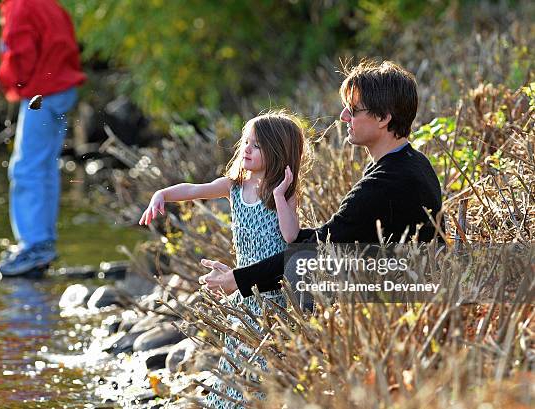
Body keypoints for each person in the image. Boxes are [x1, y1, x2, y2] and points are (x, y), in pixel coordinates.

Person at [199, 60, 444, 300]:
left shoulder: (385, 182)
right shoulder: (412, 162)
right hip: (415, 281)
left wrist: (239, 279)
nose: (343, 116)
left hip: (410, 294)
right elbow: (334, 236)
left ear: (383, 119)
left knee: (301, 269)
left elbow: (319, 249)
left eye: (354, 110)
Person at [139, 112, 309, 408]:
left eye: (256, 145)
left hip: (276, 296)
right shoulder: (233, 186)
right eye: (245, 142)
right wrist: (161, 194)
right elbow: (194, 190)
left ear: (278, 150)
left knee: (263, 367)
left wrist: (281, 195)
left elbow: (291, 235)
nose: (245, 149)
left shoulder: (280, 192)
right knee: (236, 362)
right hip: (245, 295)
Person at [0, 0, 86, 276]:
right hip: (61, 90)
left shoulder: (20, 6)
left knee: (26, 168)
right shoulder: (48, 4)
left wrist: (4, 79)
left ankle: (34, 246)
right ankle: (42, 243)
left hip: (44, 93)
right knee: (44, 167)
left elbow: (21, 55)